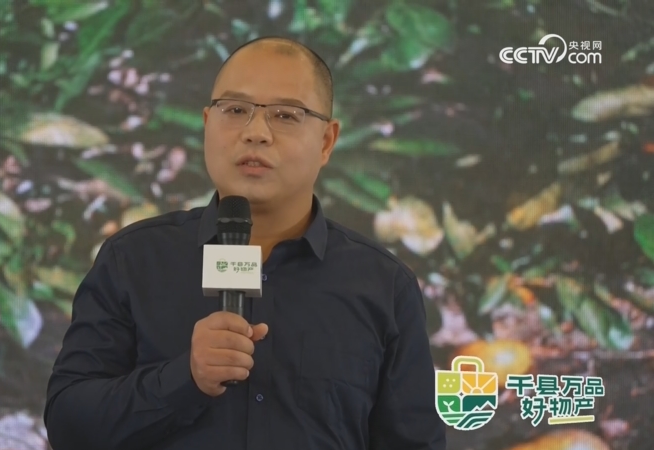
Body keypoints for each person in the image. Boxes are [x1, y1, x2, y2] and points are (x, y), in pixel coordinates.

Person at [44, 36, 446, 450]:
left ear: (327, 141)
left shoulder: (383, 286)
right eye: (236, 110)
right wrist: (185, 378)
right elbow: (68, 425)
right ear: (207, 123)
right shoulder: (133, 259)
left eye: (286, 115)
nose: (256, 133)